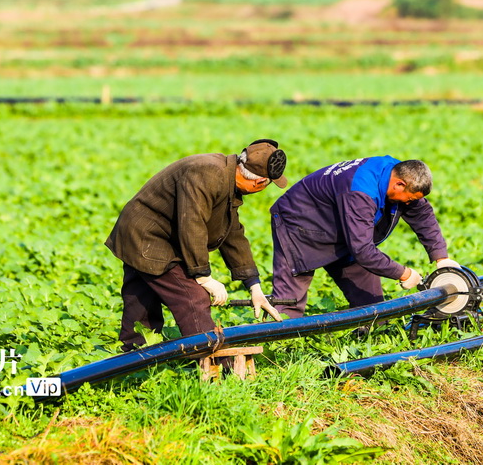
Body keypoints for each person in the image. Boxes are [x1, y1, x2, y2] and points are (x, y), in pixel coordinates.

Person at [105, 139, 288, 352]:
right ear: (259, 183)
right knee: (193, 297)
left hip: (149, 233)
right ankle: (214, 364)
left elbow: (232, 234)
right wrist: (204, 277)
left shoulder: (227, 176)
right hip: (149, 237)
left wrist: (254, 287)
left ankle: (134, 358)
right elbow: (191, 224)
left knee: (141, 300)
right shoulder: (207, 173)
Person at [269, 156, 457, 318]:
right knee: (289, 302)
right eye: (409, 198)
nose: (409, 203)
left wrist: (442, 258)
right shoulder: (361, 191)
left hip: (344, 229)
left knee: (372, 309)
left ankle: (364, 343)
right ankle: (278, 350)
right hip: (299, 223)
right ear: (400, 184)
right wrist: (404, 273)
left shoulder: (401, 174)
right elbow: (363, 250)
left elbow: (422, 215)